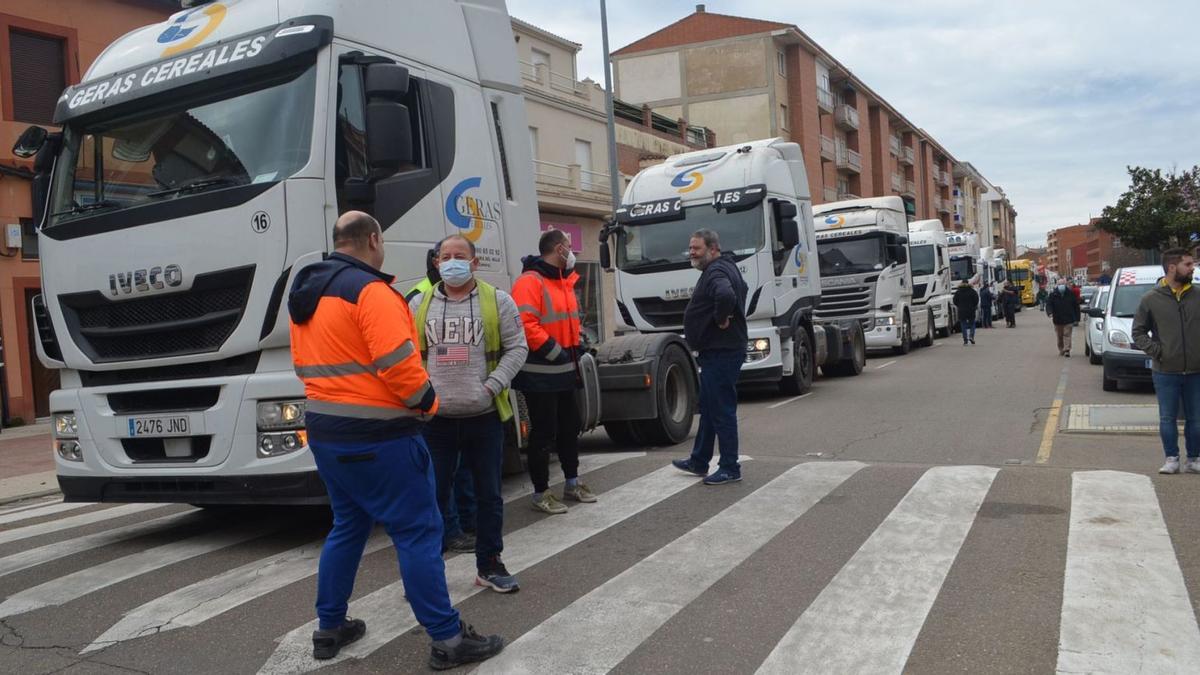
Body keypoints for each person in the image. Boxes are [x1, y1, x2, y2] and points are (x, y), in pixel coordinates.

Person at [288, 212, 504, 669]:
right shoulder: (372, 292)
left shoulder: (307, 293)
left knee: (347, 525)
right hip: (380, 435)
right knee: (418, 531)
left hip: (326, 432)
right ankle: (447, 638)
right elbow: (399, 368)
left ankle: (329, 627)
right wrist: (428, 405)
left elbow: (304, 367)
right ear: (373, 239)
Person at [412, 234, 529, 593]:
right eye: (445, 256)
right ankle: (427, 574)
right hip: (436, 421)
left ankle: (489, 564)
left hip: (483, 416)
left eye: (459, 255)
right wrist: (420, 395)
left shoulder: (498, 301)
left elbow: (517, 347)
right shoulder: (418, 303)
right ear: (436, 263)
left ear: (474, 262)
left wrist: (493, 385)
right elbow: (406, 353)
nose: (452, 262)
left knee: (489, 495)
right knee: (431, 498)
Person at [512, 229, 594, 514]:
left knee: (570, 428)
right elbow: (525, 323)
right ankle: (540, 492)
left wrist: (579, 343)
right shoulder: (530, 281)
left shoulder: (563, 281)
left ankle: (572, 482)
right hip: (540, 374)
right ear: (559, 249)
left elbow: (568, 322)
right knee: (543, 433)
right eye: (569, 247)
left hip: (565, 371)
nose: (571, 251)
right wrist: (555, 351)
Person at [672, 229, 749, 485]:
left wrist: (722, 317)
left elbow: (726, 295)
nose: (691, 253)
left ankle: (730, 467)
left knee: (722, 410)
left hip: (722, 352)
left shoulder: (716, 271)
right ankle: (699, 460)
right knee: (709, 407)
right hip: (721, 350)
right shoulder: (727, 266)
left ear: (713, 249)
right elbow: (743, 289)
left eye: (697, 249)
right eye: (691, 248)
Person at [1131, 249, 1200, 475]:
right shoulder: (1151, 299)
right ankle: (1171, 458)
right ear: (1172, 267)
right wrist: (1157, 351)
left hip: (1196, 370)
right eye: (1188, 265)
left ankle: (1194, 458)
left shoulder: (1198, 295)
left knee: (1196, 419)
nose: (1192, 268)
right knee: (1167, 417)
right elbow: (1138, 332)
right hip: (1166, 370)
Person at [1044, 281, 1081, 357]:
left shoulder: (1070, 294)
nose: (1061, 286)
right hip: (1058, 319)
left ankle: (1067, 350)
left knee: (1067, 334)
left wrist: (1077, 318)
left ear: (1065, 285)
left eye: (1063, 284)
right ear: (1057, 285)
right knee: (1060, 336)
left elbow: (1076, 306)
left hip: (1068, 319)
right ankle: (1061, 349)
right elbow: (1049, 304)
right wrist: (1050, 312)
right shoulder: (1053, 295)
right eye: (1060, 284)